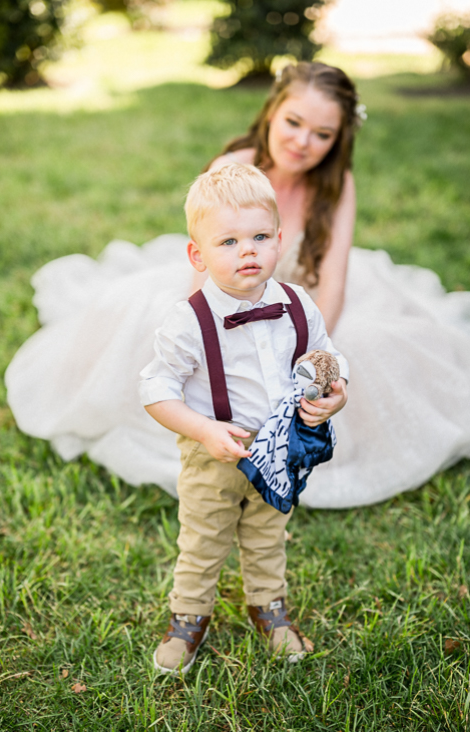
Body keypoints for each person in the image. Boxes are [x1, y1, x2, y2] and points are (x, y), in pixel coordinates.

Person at [4, 62, 470, 509]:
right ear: (272, 112)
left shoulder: (337, 184)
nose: (302, 142)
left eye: (322, 134)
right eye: (293, 122)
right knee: (163, 347)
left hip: (302, 297)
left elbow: (333, 281)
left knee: (377, 348)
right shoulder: (235, 167)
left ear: (338, 139)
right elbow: (206, 279)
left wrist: (311, 354)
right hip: (224, 291)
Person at [146, 163, 348, 673]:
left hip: (278, 449)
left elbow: (327, 357)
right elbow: (155, 390)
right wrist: (203, 430)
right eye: (229, 241)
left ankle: (269, 607)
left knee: (267, 533)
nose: (248, 251)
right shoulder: (187, 320)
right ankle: (188, 617)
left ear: (280, 239)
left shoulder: (298, 305)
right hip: (212, 450)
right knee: (203, 537)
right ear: (199, 254)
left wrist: (335, 394)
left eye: (260, 236)